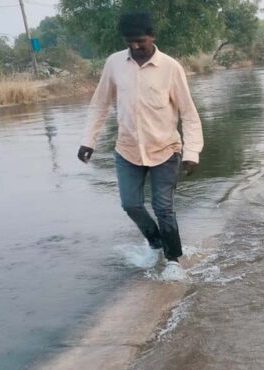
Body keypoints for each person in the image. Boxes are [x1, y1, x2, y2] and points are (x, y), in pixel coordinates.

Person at [77, 10, 203, 281]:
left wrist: (192, 152)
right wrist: (88, 141)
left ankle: (173, 260)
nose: (135, 47)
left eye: (140, 42)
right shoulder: (114, 64)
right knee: (130, 204)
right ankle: (156, 244)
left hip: (165, 149)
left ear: (152, 36)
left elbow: (189, 114)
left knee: (163, 207)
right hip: (128, 149)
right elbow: (100, 104)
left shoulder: (170, 68)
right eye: (129, 42)